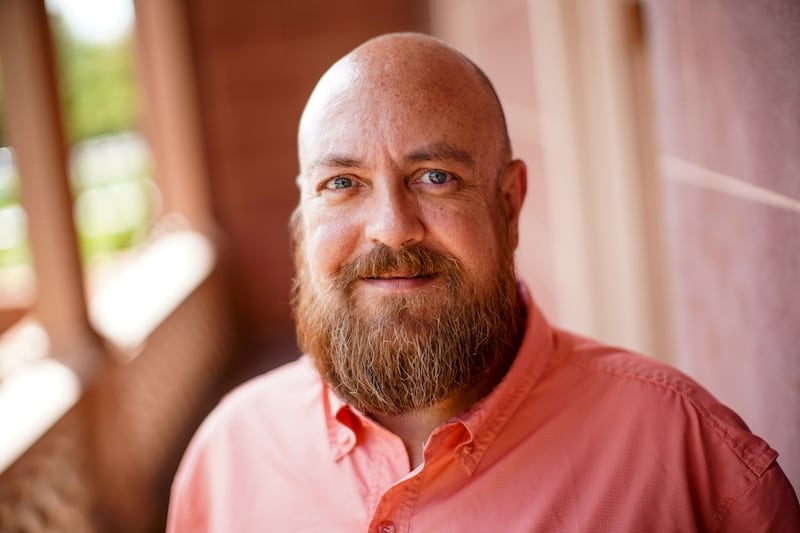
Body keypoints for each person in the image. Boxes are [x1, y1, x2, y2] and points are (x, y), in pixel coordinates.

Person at [167, 32, 800, 531]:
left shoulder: (692, 463)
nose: (392, 228)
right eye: (343, 183)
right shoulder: (227, 459)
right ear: (303, 222)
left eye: (435, 176)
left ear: (509, 203)